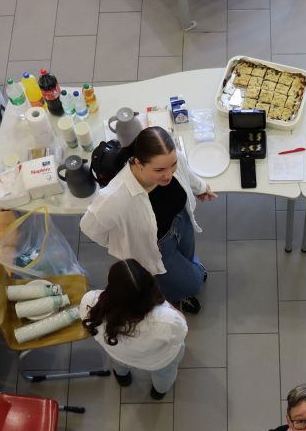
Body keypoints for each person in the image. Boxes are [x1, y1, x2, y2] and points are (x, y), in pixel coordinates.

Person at [80, 126, 215, 314]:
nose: (169, 175)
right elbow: (89, 227)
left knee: (188, 257)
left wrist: (200, 187)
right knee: (191, 284)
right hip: (157, 246)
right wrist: (123, 241)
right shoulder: (115, 197)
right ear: (138, 162)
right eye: (159, 170)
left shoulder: (170, 160)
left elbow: (186, 171)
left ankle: (189, 273)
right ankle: (179, 294)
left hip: (181, 221)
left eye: (173, 165)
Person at [80, 259, 187, 400]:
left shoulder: (90, 302)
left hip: (118, 353)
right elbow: (181, 332)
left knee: (119, 364)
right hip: (158, 361)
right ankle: (159, 392)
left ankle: (122, 377)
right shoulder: (167, 320)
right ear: (150, 286)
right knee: (164, 375)